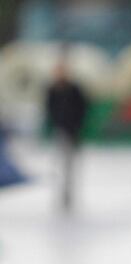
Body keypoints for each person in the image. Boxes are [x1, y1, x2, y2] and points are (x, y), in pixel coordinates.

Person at [45, 54, 88, 211]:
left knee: (69, 163)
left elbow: (82, 107)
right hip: (60, 129)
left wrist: (77, 125)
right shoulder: (52, 89)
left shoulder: (74, 89)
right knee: (59, 163)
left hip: (72, 130)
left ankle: (68, 192)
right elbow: (49, 109)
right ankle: (60, 191)